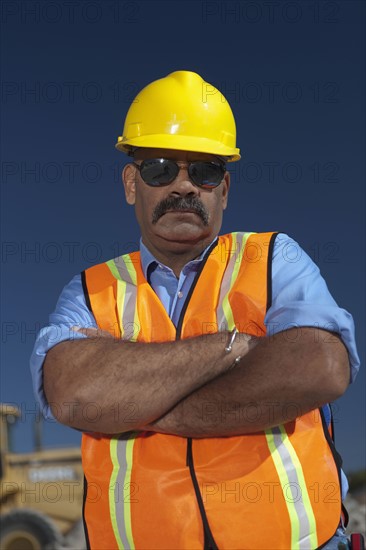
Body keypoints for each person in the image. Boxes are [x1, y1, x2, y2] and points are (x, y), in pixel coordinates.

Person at [31, 70, 360, 550]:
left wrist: (133, 405)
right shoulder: (90, 289)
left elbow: (319, 367)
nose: (184, 186)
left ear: (223, 190)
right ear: (130, 183)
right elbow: (74, 395)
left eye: (204, 171)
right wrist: (236, 346)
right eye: (161, 168)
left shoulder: (274, 258)